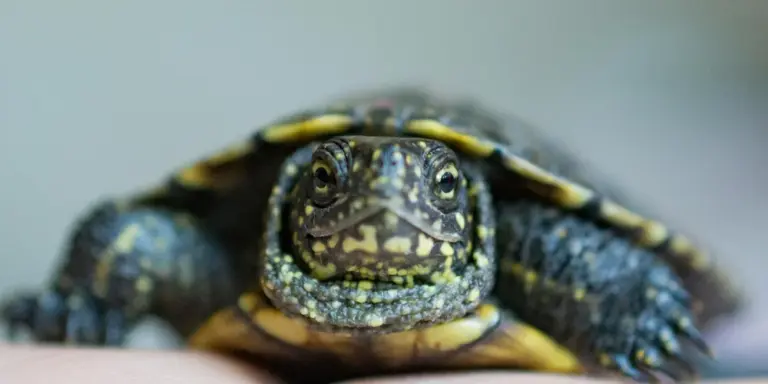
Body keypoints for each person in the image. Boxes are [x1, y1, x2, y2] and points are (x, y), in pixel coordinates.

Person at [0, 345, 766, 384]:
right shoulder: (223, 259)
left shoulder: (519, 237)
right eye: (329, 186)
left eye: (437, 190)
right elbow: (135, 236)